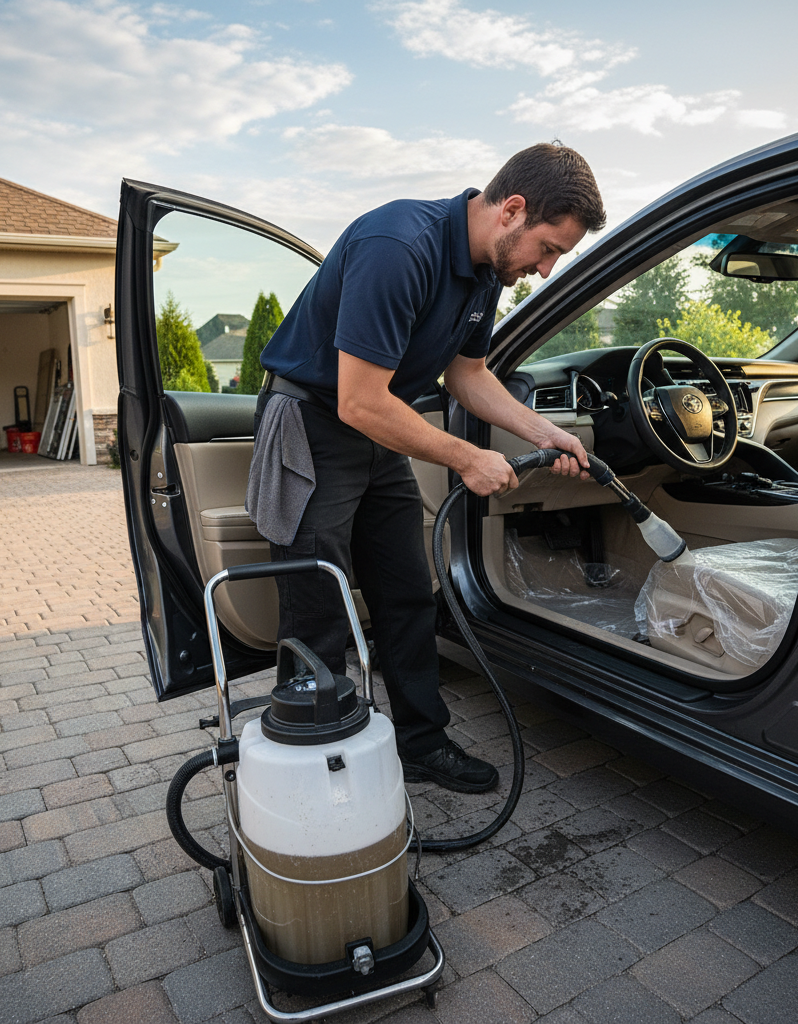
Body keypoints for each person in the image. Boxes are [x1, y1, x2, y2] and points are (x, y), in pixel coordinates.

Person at [246, 143, 605, 792]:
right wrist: (467, 456)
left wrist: (546, 432)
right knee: (319, 601)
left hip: (378, 426)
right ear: (512, 211)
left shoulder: (487, 271)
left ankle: (419, 744)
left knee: (406, 590)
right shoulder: (398, 246)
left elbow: (467, 375)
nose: (547, 270)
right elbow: (357, 398)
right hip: (312, 423)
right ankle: (312, 771)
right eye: (548, 249)